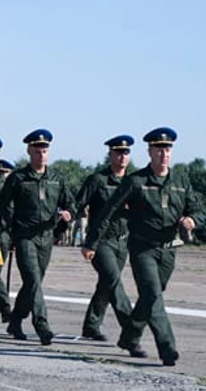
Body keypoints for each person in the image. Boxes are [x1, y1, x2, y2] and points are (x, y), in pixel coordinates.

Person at [90, 127, 199, 366]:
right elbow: (107, 212)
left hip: (169, 250)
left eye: (167, 149)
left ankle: (129, 336)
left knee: (150, 297)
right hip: (142, 249)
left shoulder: (181, 181)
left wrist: (192, 220)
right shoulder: (135, 181)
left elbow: (195, 209)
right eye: (158, 149)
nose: (163, 153)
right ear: (150, 151)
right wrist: (91, 242)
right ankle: (167, 347)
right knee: (152, 294)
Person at [0, 129, 76, 345]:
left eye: (45, 149)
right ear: (29, 151)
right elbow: (2, 204)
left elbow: (71, 205)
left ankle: (15, 320)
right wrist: (11, 228)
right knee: (33, 280)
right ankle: (42, 325)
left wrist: (67, 216)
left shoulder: (57, 179)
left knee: (34, 283)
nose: (42, 153)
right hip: (25, 236)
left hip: (46, 237)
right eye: (37, 149)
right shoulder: (18, 178)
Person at [77, 135, 141, 352]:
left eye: (126, 153)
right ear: (110, 154)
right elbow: (78, 204)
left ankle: (91, 326)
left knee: (106, 284)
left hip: (123, 242)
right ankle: (131, 332)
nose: (122, 157)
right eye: (118, 152)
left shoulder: (133, 182)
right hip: (101, 241)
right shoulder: (98, 180)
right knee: (114, 283)